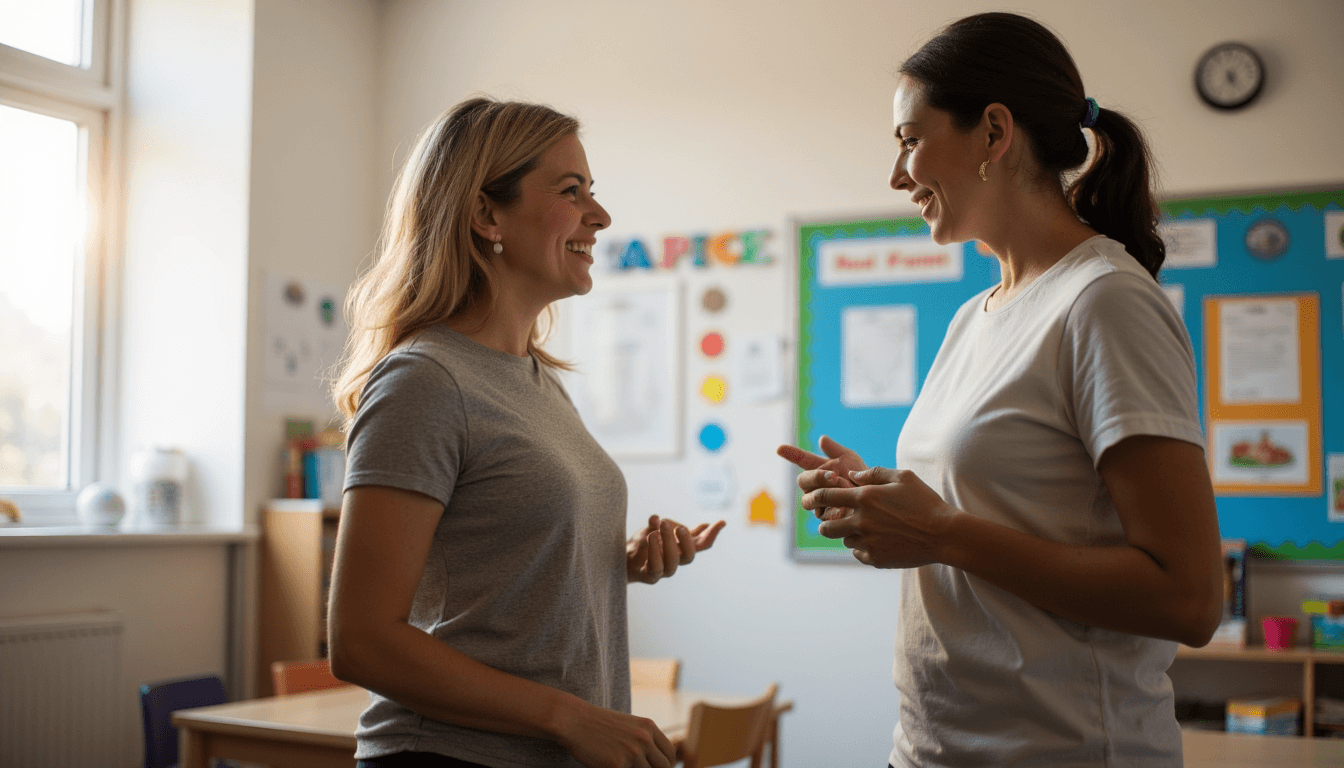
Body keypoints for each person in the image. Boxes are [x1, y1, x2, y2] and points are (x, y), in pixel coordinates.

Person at [778, 12, 1223, 768]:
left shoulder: (1104, 301)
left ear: (993, 132)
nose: (896, 176)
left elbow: (1189, 598)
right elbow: (996, 510)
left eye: (909, 141)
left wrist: (941, 533)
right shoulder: (973, 318)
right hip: (932, 749)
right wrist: (884, 500)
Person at [328, 97, 726, 768]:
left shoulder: (537, 381)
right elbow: (361, 640)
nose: (600, 217)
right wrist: (572, 718)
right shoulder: (424, 382)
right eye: (573, 193)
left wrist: (612, 561)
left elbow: (496, 564)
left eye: (592, 194)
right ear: (487, 215)